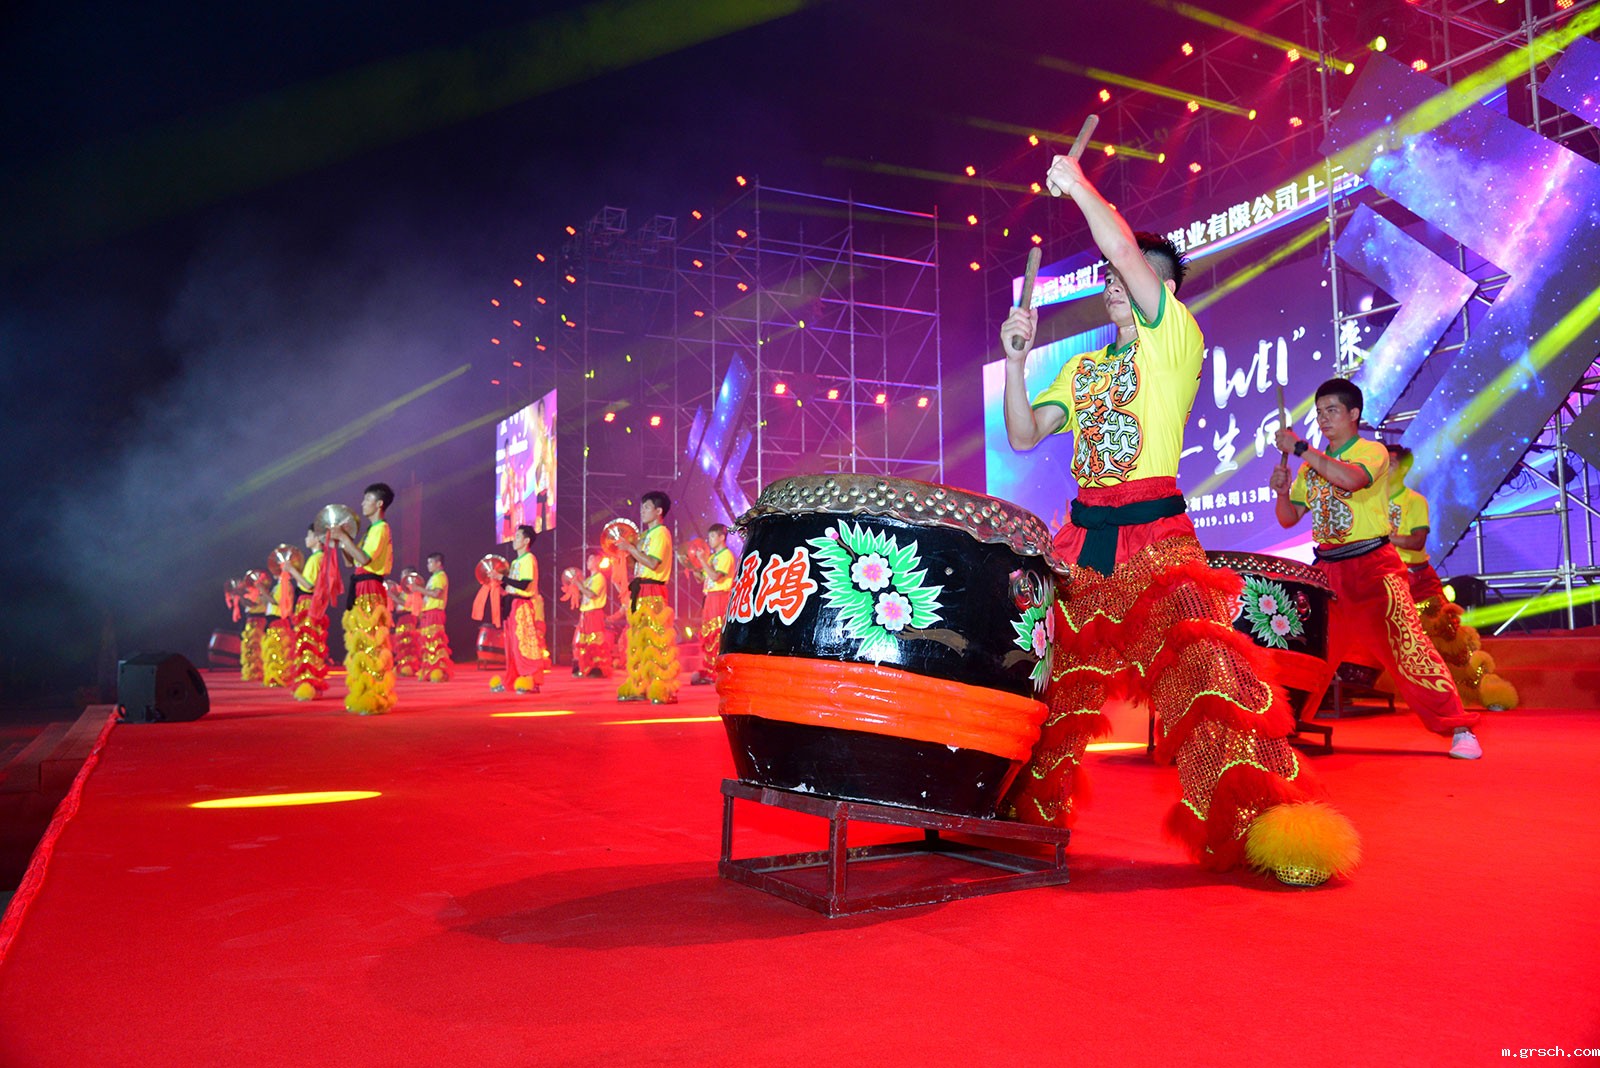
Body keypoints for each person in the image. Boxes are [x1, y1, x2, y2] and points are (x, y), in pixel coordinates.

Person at [996, 151, 1360, 886]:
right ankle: (1021, 818)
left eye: (1125, 272)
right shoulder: (1082, 370)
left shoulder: (1173, 339)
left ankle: (1269, 825)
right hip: (1084, 540)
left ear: (1157, 288)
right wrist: (1014, 361)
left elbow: (1126, 250)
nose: (1113, 281)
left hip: (1156, 534)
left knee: (1212, 678)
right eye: (1107, 276)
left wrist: (1081, 188)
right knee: (1055, 686)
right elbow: (1025, 434)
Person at [1272, 380, 1482, 757]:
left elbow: (1351, 479)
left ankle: (1458, 727)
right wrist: (1283, 492)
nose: (1323, 419)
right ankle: (1283, 731)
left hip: (1374, 568)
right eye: (1319, 413)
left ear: (1354, 414)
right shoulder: (1309, 468)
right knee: (1308, 654)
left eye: (1331, 411)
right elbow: (1288, 519)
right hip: (1328, 573)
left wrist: (1301, 448)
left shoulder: (1371, 452)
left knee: (1408, 647)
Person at [1386, 444, 1518, 710]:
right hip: (1383, 580)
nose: (1383, 468)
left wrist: (1384, 537)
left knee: (1449, 640)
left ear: (1403, 469)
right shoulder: (1367, 501)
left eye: (1390, 463)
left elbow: (1416, 541)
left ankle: (1483, 690)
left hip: (1416, 580)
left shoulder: (1414, 501)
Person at [330, 483, 398, 715]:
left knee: (371, 642)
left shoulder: (381, 528)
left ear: (379, 504)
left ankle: (374, 696)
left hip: (370, 587)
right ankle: (364, 694)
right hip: (361, 587)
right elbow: (350, 561)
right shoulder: (370, 531)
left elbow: (364, 559)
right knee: (361, 642)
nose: (362, 503)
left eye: (367, 499)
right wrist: (342, 541)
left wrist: (344, 538)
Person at [616, 491, 681, 704]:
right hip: (640, 589)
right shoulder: (645, 536)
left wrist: (630, 548)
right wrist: (625, 552)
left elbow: (652, 563)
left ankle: (663, 688)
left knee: (656, 639)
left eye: (647, 507)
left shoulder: (661, 533)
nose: (642, 511)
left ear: (659, 511)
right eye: (642, 507)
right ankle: (640, 685)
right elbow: (638, 563)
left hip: (653, 590)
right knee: (638, 640)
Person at [495, 524, 550, 694]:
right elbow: (511, 585)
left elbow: (524, 584)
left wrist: (503, 577)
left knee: (525, 642)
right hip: (512, 605)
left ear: (526, 541)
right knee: (513, 646)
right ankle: (513, 679)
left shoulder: (528, 559)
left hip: (522, 606)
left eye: (518, 536)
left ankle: (532, 680)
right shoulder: (515, 562)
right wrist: (497, 580)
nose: (514, 539)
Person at [280, 526, 331, 701]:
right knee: (311, 645)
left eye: (309, 535)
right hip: (312, 604)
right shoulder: (320, 558)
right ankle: (312, 684)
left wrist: (292, 570)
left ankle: (308, 684)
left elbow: (309, 585)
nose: (305, 539)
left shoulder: (316, 558)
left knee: (307, 645)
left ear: (317, 538)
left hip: (308, 604)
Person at [690, 524, 735, 685]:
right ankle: (710, 670)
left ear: (722, 537)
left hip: (720, 597)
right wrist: (695, 568)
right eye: (709, 537)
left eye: (713, 536)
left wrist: (703, 561)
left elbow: (716, 577)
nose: (709, 540)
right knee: (708, 634)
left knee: (717, 633)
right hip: (710, 597)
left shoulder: (726, 555)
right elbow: (704, 578)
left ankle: (718, 671)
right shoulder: (713, 557)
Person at [572, 553, 616, 678]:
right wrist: (574, 587)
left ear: (597, 561)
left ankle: (598, 668)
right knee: (583, 642)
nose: (588, 562)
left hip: (594, 613)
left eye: (591, 559)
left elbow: (591, 595)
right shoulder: (588, 580)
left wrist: (579, 584)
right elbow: (582, 595)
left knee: (595, 641)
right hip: (585, 613)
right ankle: (584, 667)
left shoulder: (599, 578)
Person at [416, 552, 453, 682]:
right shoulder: (434, 577)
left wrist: (419, 589)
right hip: (428, 612)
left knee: (435, 642)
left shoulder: (440, 577)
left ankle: (438, 671)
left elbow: (436, 594)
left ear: (438, 563)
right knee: (428, 642)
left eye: (430, 562)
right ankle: (429, 670)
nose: (428, 565)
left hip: (435, 613)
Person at [240, 570, 269, 683]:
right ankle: (250, 671)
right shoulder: (249, 591)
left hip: (260, 619)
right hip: (250, 619)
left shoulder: (264, 592)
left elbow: (262, 604)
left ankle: (258, 671)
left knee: (257, 645)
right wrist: (240, 596)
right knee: (249, 645)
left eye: (261, 578)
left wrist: (261, 590)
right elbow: (248, 605)